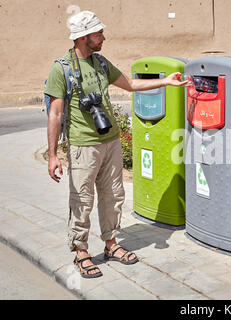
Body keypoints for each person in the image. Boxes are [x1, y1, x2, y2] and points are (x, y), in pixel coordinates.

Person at [45, 11, 189, 278]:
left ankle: (111, 244)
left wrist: (167, 82)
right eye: (98, 33)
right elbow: (54, 114)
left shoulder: (101, 63)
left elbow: (131, 84)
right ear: (84, 37)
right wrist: (53, 154)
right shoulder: (61, 69)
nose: (103, 37)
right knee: (82, 199)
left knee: (113, 196)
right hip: (83, 146)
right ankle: (81, 252)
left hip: (110, 141)